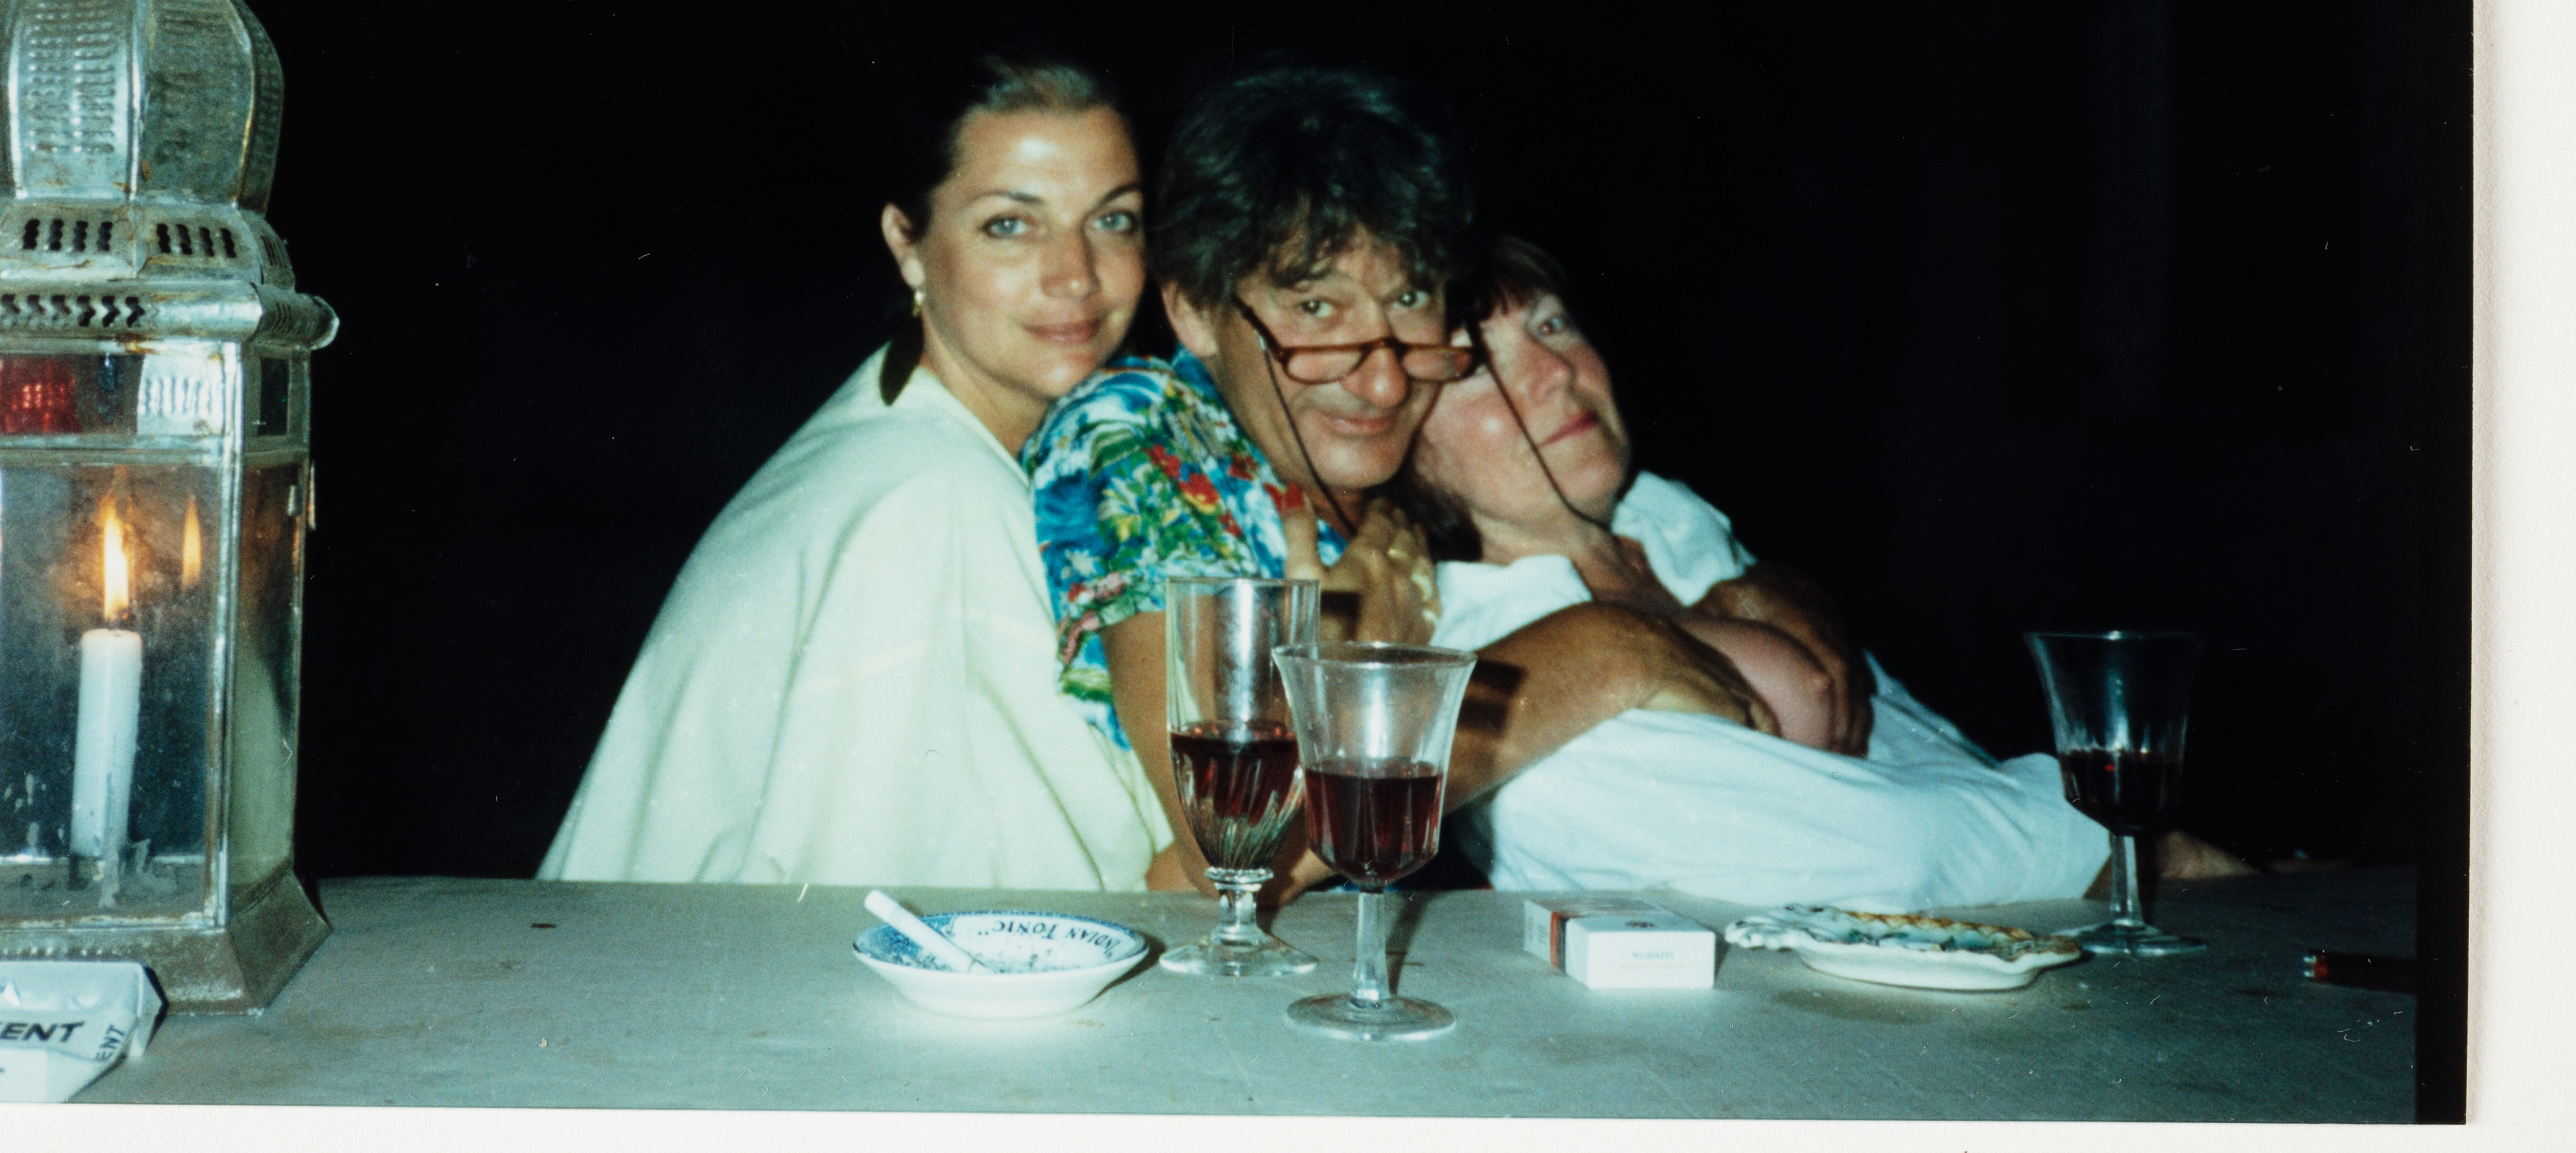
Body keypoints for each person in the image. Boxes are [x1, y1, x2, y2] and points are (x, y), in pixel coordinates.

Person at [1025, 62, 1812, 897]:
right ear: (1192, 310)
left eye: (1410, 296)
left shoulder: (1421, 413)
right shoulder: (1143, 428)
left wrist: (1783, 592)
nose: (1385, 383)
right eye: (1316, 311)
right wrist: (1608, 649)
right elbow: (1227, 841)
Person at [1400, 234, 2248, 909]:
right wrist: (2130, 833)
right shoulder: (1496, 658)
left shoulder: (1670, 520)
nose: (1555, 373)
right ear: (1411, 450)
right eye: (1477, 367)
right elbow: (1882, 863)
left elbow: (1925, 748)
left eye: (1552, 324)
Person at [539, 55, 1171, 890]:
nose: (1077, 275)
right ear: (907, 245)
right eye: (1010, 226)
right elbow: (1035, 925)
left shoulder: (909, 431)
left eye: (1113, 221)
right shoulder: (932, 499)